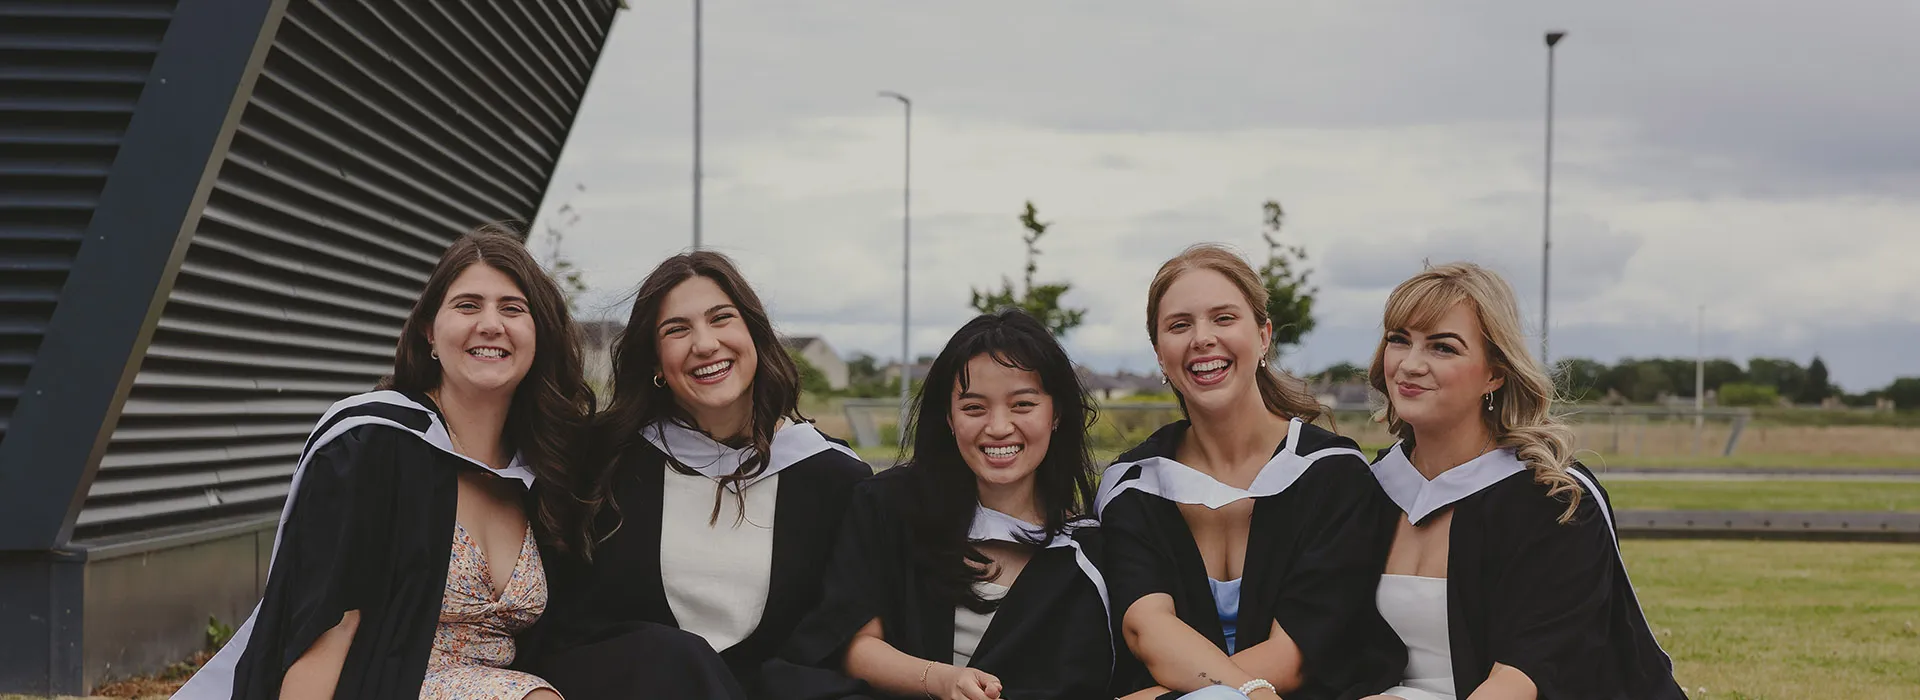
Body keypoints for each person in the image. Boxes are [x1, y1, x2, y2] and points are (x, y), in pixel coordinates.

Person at [172, 225, 594, 699]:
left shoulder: (549, 468)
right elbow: (325, 625)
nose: (491, 324)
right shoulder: (373, 444)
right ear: (430, 333)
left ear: (539, 335)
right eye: (468, 305)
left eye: (513, 308)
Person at [533, 251, 871, 699]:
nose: (705, 343)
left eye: (721, 318)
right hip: (629, 688)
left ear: (755, 335)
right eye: (676, 329)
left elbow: (832, 640)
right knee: (668, 653)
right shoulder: (602, 462)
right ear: (655, 362)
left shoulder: (835, 479)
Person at [1356, 263, 1685, 700]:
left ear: (1495, 372)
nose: (1411, 365)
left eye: (1443, 348)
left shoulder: (1555, 500)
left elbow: (1525, 676)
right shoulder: (1365, 490)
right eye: (1399, 340)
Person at [766, 309, 1118, 700]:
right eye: (973, 408)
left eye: (1022, 405)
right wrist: (940, 679)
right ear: (949, 419)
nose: (998, 427)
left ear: (1057, 415)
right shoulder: (889, 507)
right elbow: (855, 646)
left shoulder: (1089, 557)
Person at [1100, 244, 1397, 700]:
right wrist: (1245, 692)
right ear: (1160, 355)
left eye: (1223, 318)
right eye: (1180, 325)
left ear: (1263, 336)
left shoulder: (1333, 475)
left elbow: (1300, 653)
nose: (1202, 338)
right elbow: (1147, 629)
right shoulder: (1133, 484)